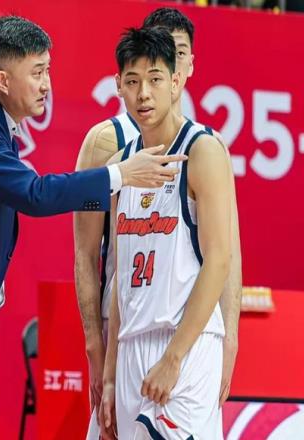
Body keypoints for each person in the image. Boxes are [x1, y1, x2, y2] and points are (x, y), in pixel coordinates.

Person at [0, 16, 186, 439]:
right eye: (37, 73)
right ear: (3, 80)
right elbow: (34, 194)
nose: (47, 85)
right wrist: (120, 175)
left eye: (48, 70)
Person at [74, 8, 241, 438]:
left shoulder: (204, 151)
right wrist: (110, 371)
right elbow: (119, 277)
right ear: (119, 86)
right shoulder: (119, 161)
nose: (143, 93)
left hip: (184, 345)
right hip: (131, 345)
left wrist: (176, 356)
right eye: (133, 82)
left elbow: (221, 259)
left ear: (176, 80)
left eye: (154, 79)